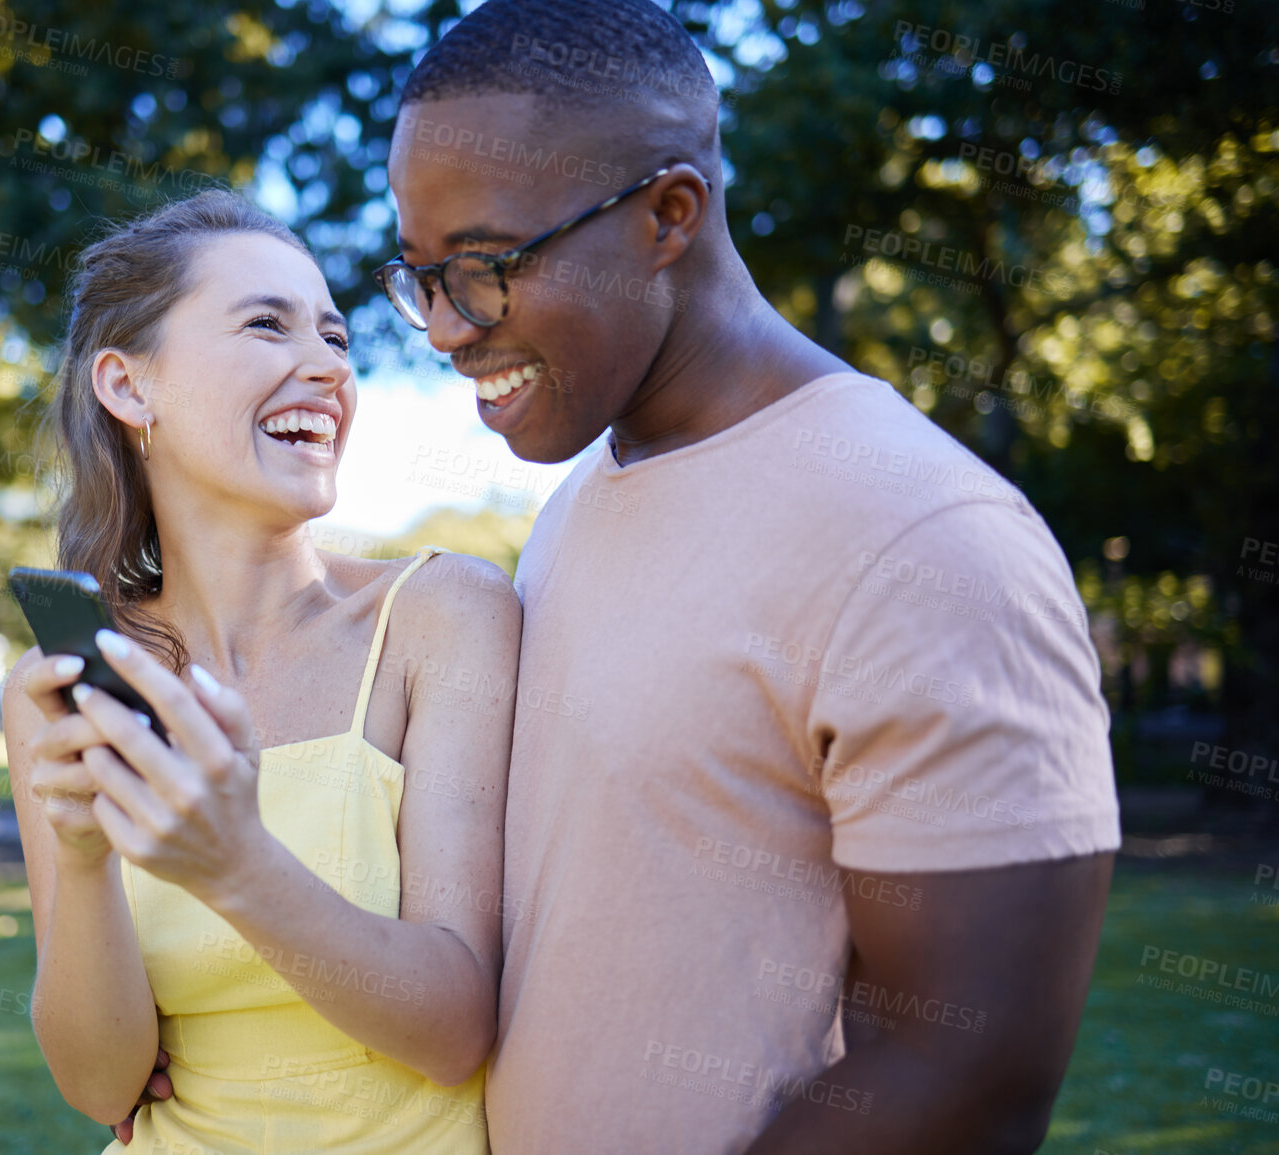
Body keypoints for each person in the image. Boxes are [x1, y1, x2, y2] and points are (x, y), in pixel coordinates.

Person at [369, 1, 1123, 1152]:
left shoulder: (927, 535)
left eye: (481, 268)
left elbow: (970, 1069)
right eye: (419, 276)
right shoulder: (578, 503)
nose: (442, 329)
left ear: (669, 215)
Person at [1, 190, 518, 1154]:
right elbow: (99, 1081)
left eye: (334, 336)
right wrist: (80, 857)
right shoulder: (66, 686)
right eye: (266, 325)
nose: (326, 366)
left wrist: (236, 862)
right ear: (128, 385)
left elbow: (453, 1030)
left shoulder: (441, 617)